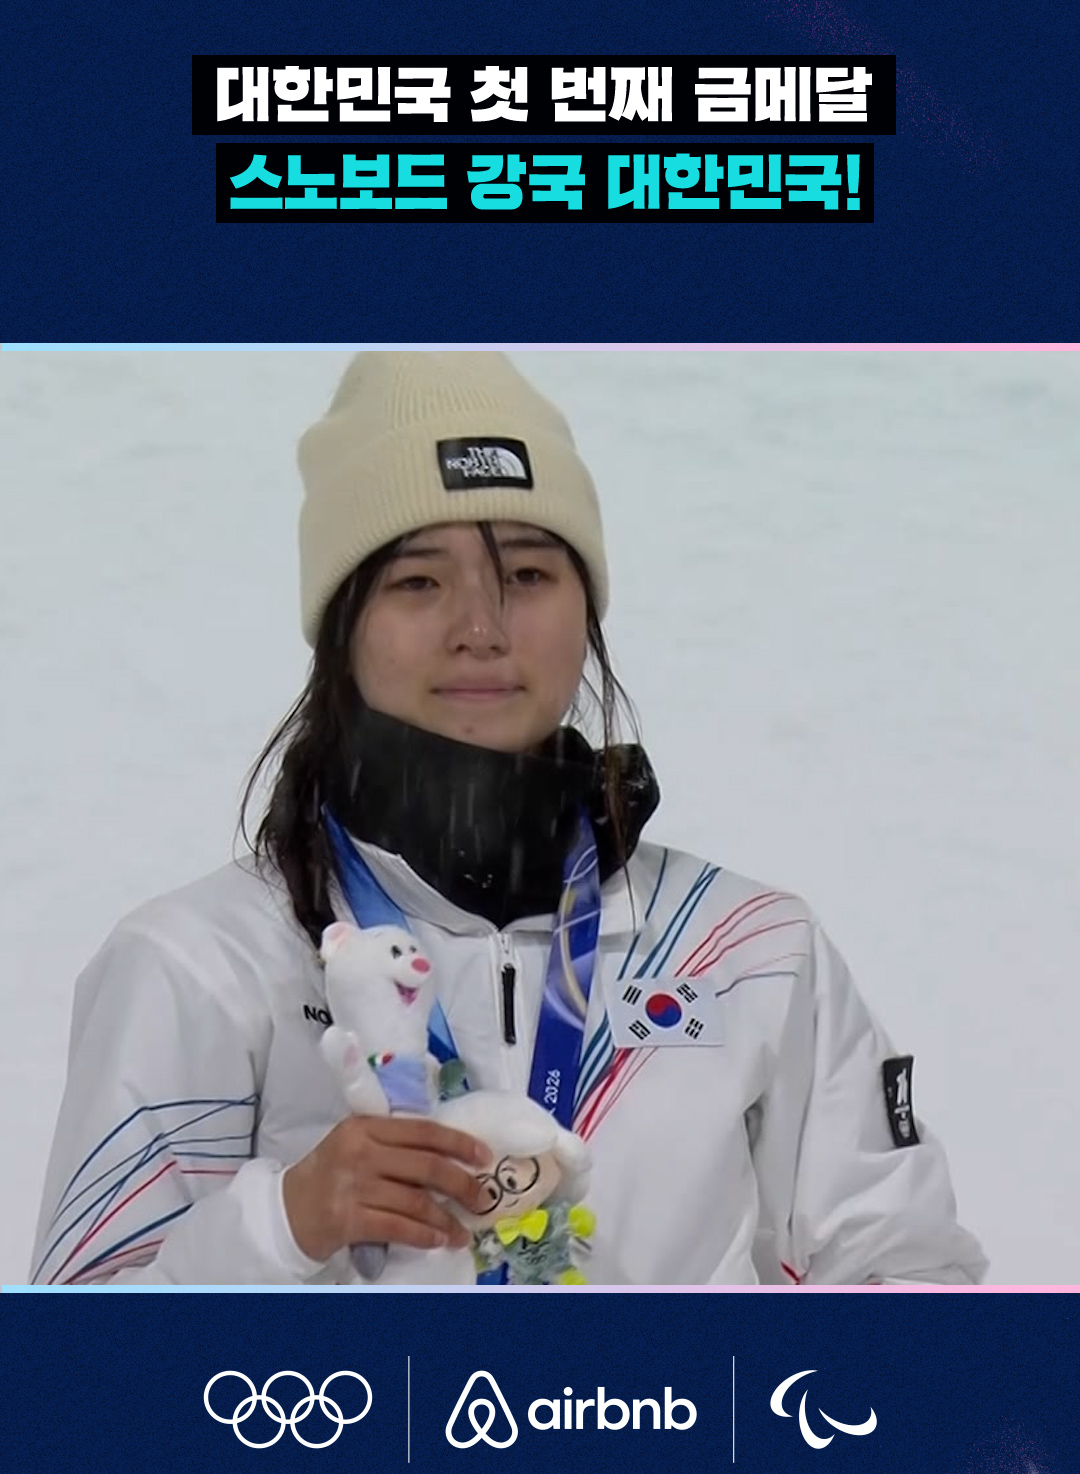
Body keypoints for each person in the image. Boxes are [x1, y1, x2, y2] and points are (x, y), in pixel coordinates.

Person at [31, 353, 987, 1287]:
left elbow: (910, 1289)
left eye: (527, 575)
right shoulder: (203, 963)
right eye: (418, 582)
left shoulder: (750, 951)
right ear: (341, 626)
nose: (480, 629)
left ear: (586, 610)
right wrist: (284, 1223)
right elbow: (78, 1373)